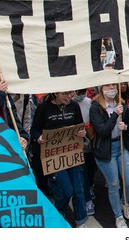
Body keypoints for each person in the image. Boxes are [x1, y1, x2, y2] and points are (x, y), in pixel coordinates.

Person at [30, 91, 88, 228]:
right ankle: (59, 209)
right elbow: (34, 130)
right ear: (56, 93)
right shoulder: (44, 108)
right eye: (65, 94)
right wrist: (38, 138)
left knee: (78, 189)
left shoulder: (74, 106)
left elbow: (80, 126)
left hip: (72, 153)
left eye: (71, 94)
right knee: (66, 190)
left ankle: (81, 221)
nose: (69, 97)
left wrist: (82, 133)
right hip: (53, 155)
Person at [89, 83, 129, 228]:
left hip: (122, 147)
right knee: (114, 184)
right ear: (101, 88)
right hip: (106, 151)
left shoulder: (122, 103)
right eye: (107, 86)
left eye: (113, 85)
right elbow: (102, 131)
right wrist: (115, 114)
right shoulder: (96, 107)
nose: (111, 88)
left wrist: (126, 127)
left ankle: (124, 202)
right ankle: (118, 216)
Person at [73, 89, 97, 216]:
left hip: (89, 140)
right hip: (77, 143)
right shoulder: (71, 103)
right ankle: (87, 197)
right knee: (82, 171)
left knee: (91, 167)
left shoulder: (90, 102)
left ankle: (90, 186)